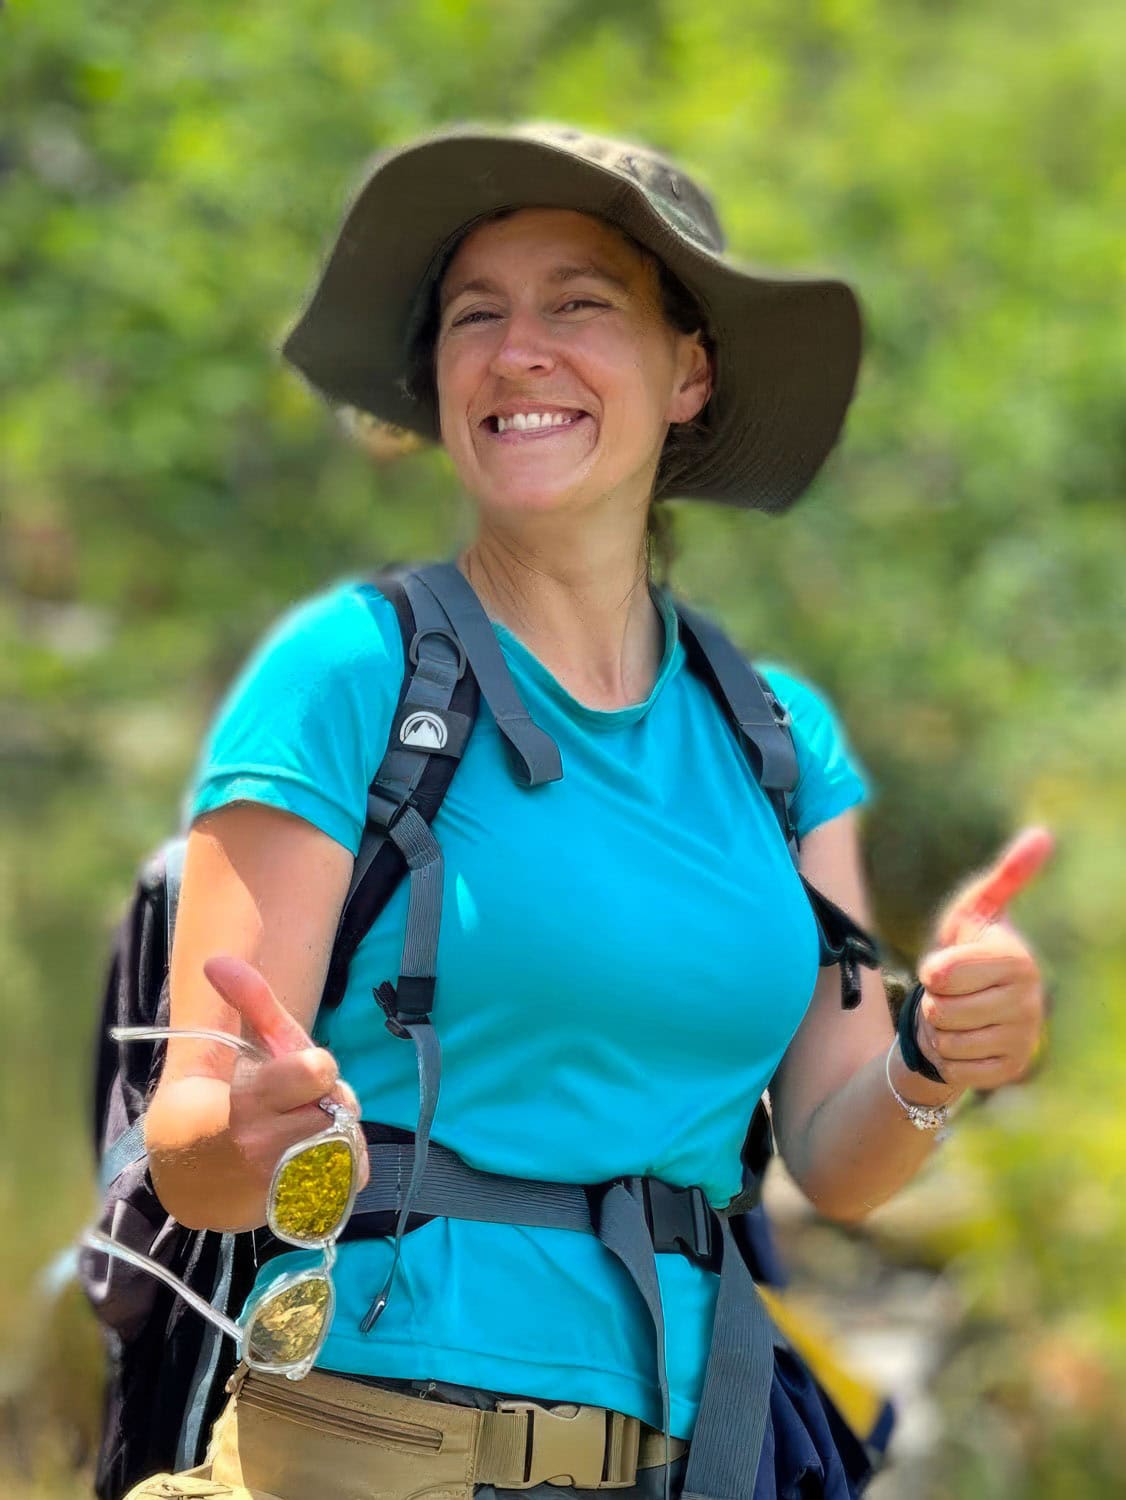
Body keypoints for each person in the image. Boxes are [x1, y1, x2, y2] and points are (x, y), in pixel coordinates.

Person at [136, 125, 1050, 1500]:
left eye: (578, 304)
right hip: (373, 1447)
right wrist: (250, 1132)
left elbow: (835, 1162)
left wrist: (934, 1055)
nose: (519, 351)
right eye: (476, 315)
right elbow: (192, 1156)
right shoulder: (347, 674)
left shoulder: (777, 739)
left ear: (689, 373)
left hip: (693, 1455)